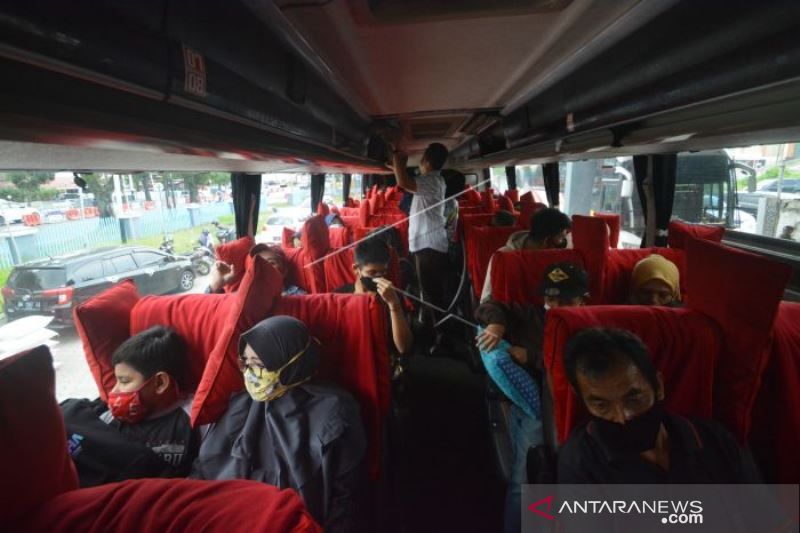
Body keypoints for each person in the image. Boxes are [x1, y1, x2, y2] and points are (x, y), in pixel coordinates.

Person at [192, 316, 367, 532]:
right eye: (245, 363)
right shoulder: (240, 404)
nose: (250, 374)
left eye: (258, 365)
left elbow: (345, 497)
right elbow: (206, 468)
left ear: (291, 362)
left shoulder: (335, 411)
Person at [558, 327, 761, 483]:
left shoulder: (714, 440)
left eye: (634, 399)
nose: (622, 417)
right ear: (582, 400)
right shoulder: (580, 464)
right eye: (602, 405)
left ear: (659, 387)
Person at [475, 262, 589, 533]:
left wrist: (533, 357)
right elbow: (488, 307)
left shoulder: (589, 327)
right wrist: (497, 324)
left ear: (583, 301)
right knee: (524, 483)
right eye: (550, 300)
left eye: (565, 300)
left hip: (572, 404)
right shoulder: (533, 315)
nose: (555, 306)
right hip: (538, 406)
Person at [61, 326, 197, 486]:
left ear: (160, 383)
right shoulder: (104, 417)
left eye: (124, 381)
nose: (114, 390)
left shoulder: (197, 419)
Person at [392, 143, 449, 321]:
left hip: (428, 246)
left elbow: (402, 181)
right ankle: (434, 324)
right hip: (426, 245)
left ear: (426, 160)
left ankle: (438, 330)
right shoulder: (432, 180)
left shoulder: (432, 181)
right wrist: (394, 165)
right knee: (429, 289)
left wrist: (398, 155)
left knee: (431, 291)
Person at [333, 238, 413, 356]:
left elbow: (404, 348)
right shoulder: (339, 296)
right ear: (356, 269)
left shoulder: (392, 296)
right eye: (372, 273)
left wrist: (394, 305)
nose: (379, 278)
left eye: (383, 272)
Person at [480, 207, 572, 302]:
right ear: (547, 241)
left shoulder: (556, 259)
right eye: (562, 239)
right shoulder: (503, 257)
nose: (564, 243)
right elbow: (486, 300)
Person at [208, 243, 306, 296]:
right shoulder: (244, 296)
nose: (264, 267)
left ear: (284, 271)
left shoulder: (298, 295)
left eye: (271, 263)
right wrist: (216, 286)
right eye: (259, 265)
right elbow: (213, 310)